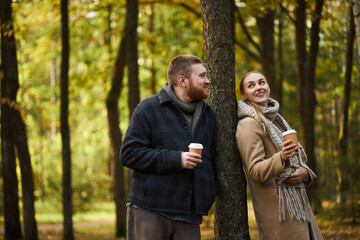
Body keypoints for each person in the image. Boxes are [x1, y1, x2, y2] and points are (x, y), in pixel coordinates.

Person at [120, 55, 217, 240]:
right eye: (202, 76)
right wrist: (177, 159)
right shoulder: (148, 109)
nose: (208, 80)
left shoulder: (208, 115)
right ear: (183, 81)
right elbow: (128, 154)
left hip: (189, 215)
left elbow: (211, 160)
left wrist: (208, 195)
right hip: (149, 210)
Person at [235, 71, 323, 240]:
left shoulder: (277, 120)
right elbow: (254, 171)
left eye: (262, 82)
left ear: (268, 87)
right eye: (251, 85)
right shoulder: (249, 124)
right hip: (279, 213)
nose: (258, 87)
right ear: (244, 94)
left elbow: (297, 159)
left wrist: (305, 173)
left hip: (299, 207)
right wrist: (281, 158)